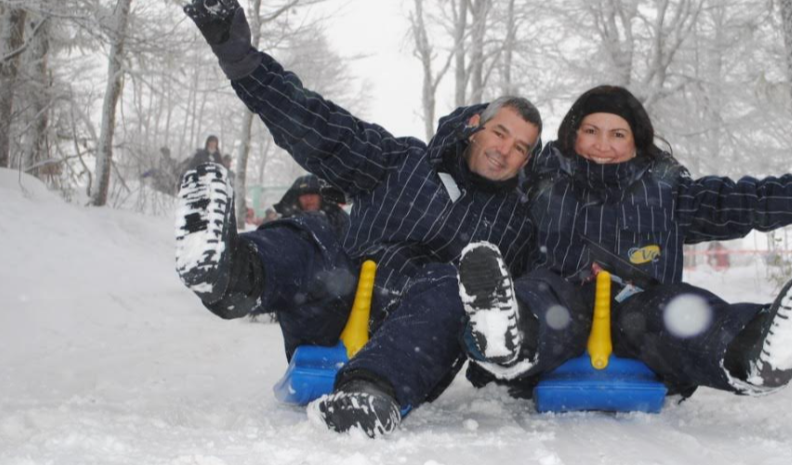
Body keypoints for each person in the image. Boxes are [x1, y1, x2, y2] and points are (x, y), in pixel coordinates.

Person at [176, 0, 542, 438]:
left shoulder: (518, 227)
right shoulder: (403, 162)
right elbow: (322, 127)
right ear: (473, 124)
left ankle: (370, 393)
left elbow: (509, 317)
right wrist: (240, 59)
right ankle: (227, 272)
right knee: (320, 233)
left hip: (416, 349)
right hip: (338, 310)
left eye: (521, 147)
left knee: (452, 283)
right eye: (500, 133)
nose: (506, 150)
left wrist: (505, 351)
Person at [454, 85, 792, 402]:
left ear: (637, 142)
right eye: (591, 130)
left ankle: (746, 350)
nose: (603, 145)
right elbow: (478, 176)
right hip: (559, 306)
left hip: (640, 310)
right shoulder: (539, 179)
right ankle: (507, 335)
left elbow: (752, 200)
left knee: (677, 309)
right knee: (541, 295)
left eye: (618, 134)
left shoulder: (668, 190)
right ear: (573, 134)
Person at [273, 174, 348, 237]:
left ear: (321, 196)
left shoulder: (339, 219)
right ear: (297, 199)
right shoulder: (286, 222)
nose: (308, 199)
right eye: (303, 195)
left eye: (312, 193)